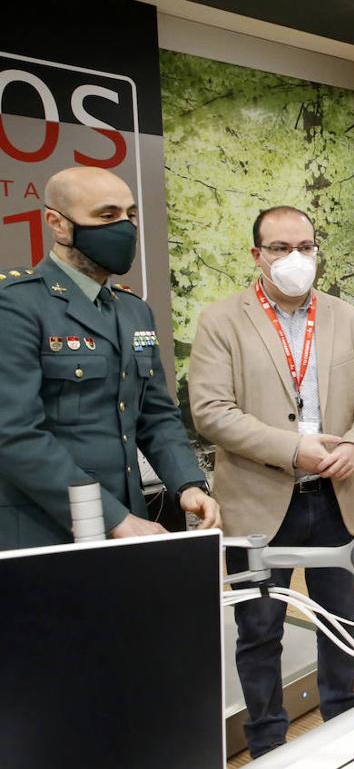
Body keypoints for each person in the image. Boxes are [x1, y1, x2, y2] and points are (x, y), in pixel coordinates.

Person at [189, 205, 354, 758]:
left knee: (341, 620)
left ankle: (343, 724)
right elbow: (211, 411)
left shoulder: (344, 317)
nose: (295, 258)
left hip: (333, 498)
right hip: (256, 501)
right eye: (280, 248)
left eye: (305, 246)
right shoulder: (221, 321)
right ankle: (268, 745)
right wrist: (292, 449)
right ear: (257, 255)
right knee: (259, 629)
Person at [0, 166, 218, 551]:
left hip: (128, 522)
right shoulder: (17, 304)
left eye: (130, 215)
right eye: (106, 215)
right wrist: (113, 518)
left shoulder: (134, 310)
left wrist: (188, 483)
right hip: (44, 529)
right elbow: (14, 433)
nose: (125, 227)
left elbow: (155, 413)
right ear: (57, 223)